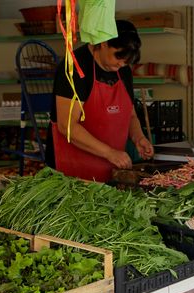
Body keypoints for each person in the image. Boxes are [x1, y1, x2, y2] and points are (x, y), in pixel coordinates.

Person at [52, 19, 154, 182]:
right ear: (104, 43)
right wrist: (109, 152)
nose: (121, 63)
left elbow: (130, 115)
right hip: (74, 173)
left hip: (112, 171)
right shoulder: (74, 68)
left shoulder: (123, 70)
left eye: (126, 60)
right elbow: (67, 126)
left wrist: (138, 137)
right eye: (118, 56)